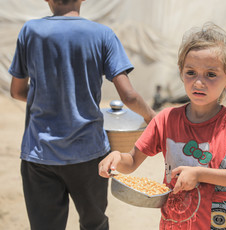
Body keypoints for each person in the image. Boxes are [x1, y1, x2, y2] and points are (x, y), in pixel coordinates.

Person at [8, 0, 156, 229]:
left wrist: (50, 97)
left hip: (39, 155)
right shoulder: (102, 35)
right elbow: (129, 96)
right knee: (94, 224)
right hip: (89, 155)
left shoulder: (30, 31)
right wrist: (151, 117)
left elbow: (17, 91)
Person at [99, 22, 226, 229]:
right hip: (175, 221)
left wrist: (199, 174)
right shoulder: (166, 119)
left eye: (211, 74)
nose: (199, 83)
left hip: (217, 223)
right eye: (191, 72)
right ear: (181, 72)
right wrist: (116, 158)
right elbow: (131, 162)